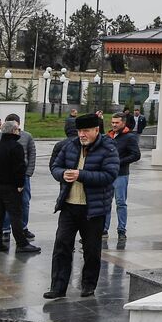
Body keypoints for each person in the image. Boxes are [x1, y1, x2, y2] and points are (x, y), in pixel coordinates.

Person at [45, 113, 119, 299]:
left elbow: (109, 175)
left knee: (91, 250)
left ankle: (88, 285)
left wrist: (81, 175)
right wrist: (62, 174)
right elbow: (55, 166)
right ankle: (58, 287)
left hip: (93, 209)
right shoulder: (70, 145)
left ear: (96, 130)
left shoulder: (108, 147)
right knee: (61, 245)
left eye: (86, 130)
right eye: (79, 131)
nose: (81, 135)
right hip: (69, 206)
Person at [0, 120, 40, 253]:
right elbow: (19, 168)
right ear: (13, 131)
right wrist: (20, 184)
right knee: (16, 215)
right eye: (17, 129)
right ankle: (22, 244)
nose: (19, 131)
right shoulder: (16, 147)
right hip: (10, 187)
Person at [102, 113, 140, 240]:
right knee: (106, 202)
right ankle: (103, 229)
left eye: (116, 123)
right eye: (112, 122)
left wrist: (119, 161)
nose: (113, 125)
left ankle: (121, 230)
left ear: (123, 123)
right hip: (107, 175)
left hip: (121, 174)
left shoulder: (129, 137)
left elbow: (136, 155)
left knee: (120, 202)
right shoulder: (108, 136)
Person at [1, 113, 36, 243]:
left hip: (23, 175)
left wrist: (28, 173)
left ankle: (23, 227)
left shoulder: (27, 136)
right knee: (7, 203)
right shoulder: (0, 137)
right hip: (7, 177)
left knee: (24, 202)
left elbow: (32, 154)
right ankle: (5, 229)